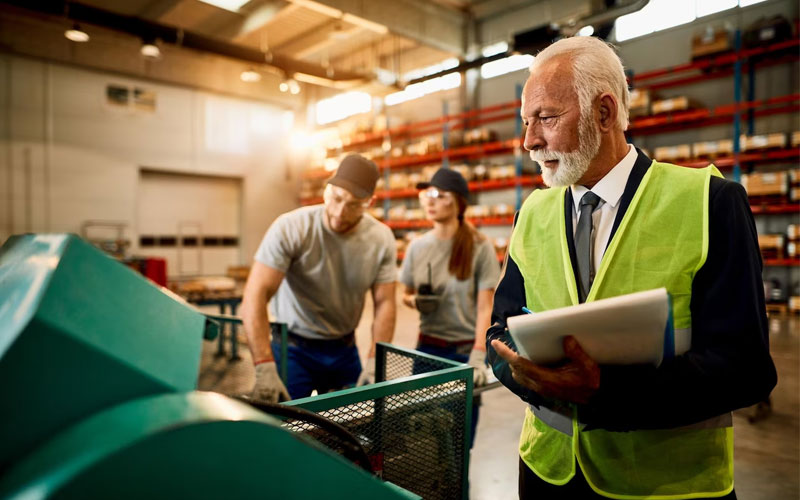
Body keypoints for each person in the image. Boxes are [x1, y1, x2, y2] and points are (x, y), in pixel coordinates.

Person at [486, 36, 777, 500]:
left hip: (664, 486)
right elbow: (499, 332)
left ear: (604, 114)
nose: (529, 141)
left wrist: (605, 391)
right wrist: (531, 378)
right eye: (525, 121)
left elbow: (747, 369)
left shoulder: (709, 203)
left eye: (546, 118)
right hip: (547, 475)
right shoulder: (533, 214)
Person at [241, 154, 397, 402]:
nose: (339, 213)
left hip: (344, 349)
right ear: (327, 189)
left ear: (370, 202)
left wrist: (375, 362)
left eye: (355, 205)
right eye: (336, 198)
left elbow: (385, 302)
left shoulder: (381, 239)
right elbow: (255, 294)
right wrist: (263, 365)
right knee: (285, 425)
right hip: (292, 349)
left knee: (353, 426)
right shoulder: (292, 228)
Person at [399, 168, 500, 447]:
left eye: (438, 195)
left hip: (463, 355)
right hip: (426, 354)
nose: (429, 201)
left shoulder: (480, 248)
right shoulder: (417, 247)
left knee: (458, 445)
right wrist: (415, 302)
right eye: (427, 194)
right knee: (420, 447)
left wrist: (478, 357)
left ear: (458, 202)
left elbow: (485, 309)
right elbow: (405, 293)